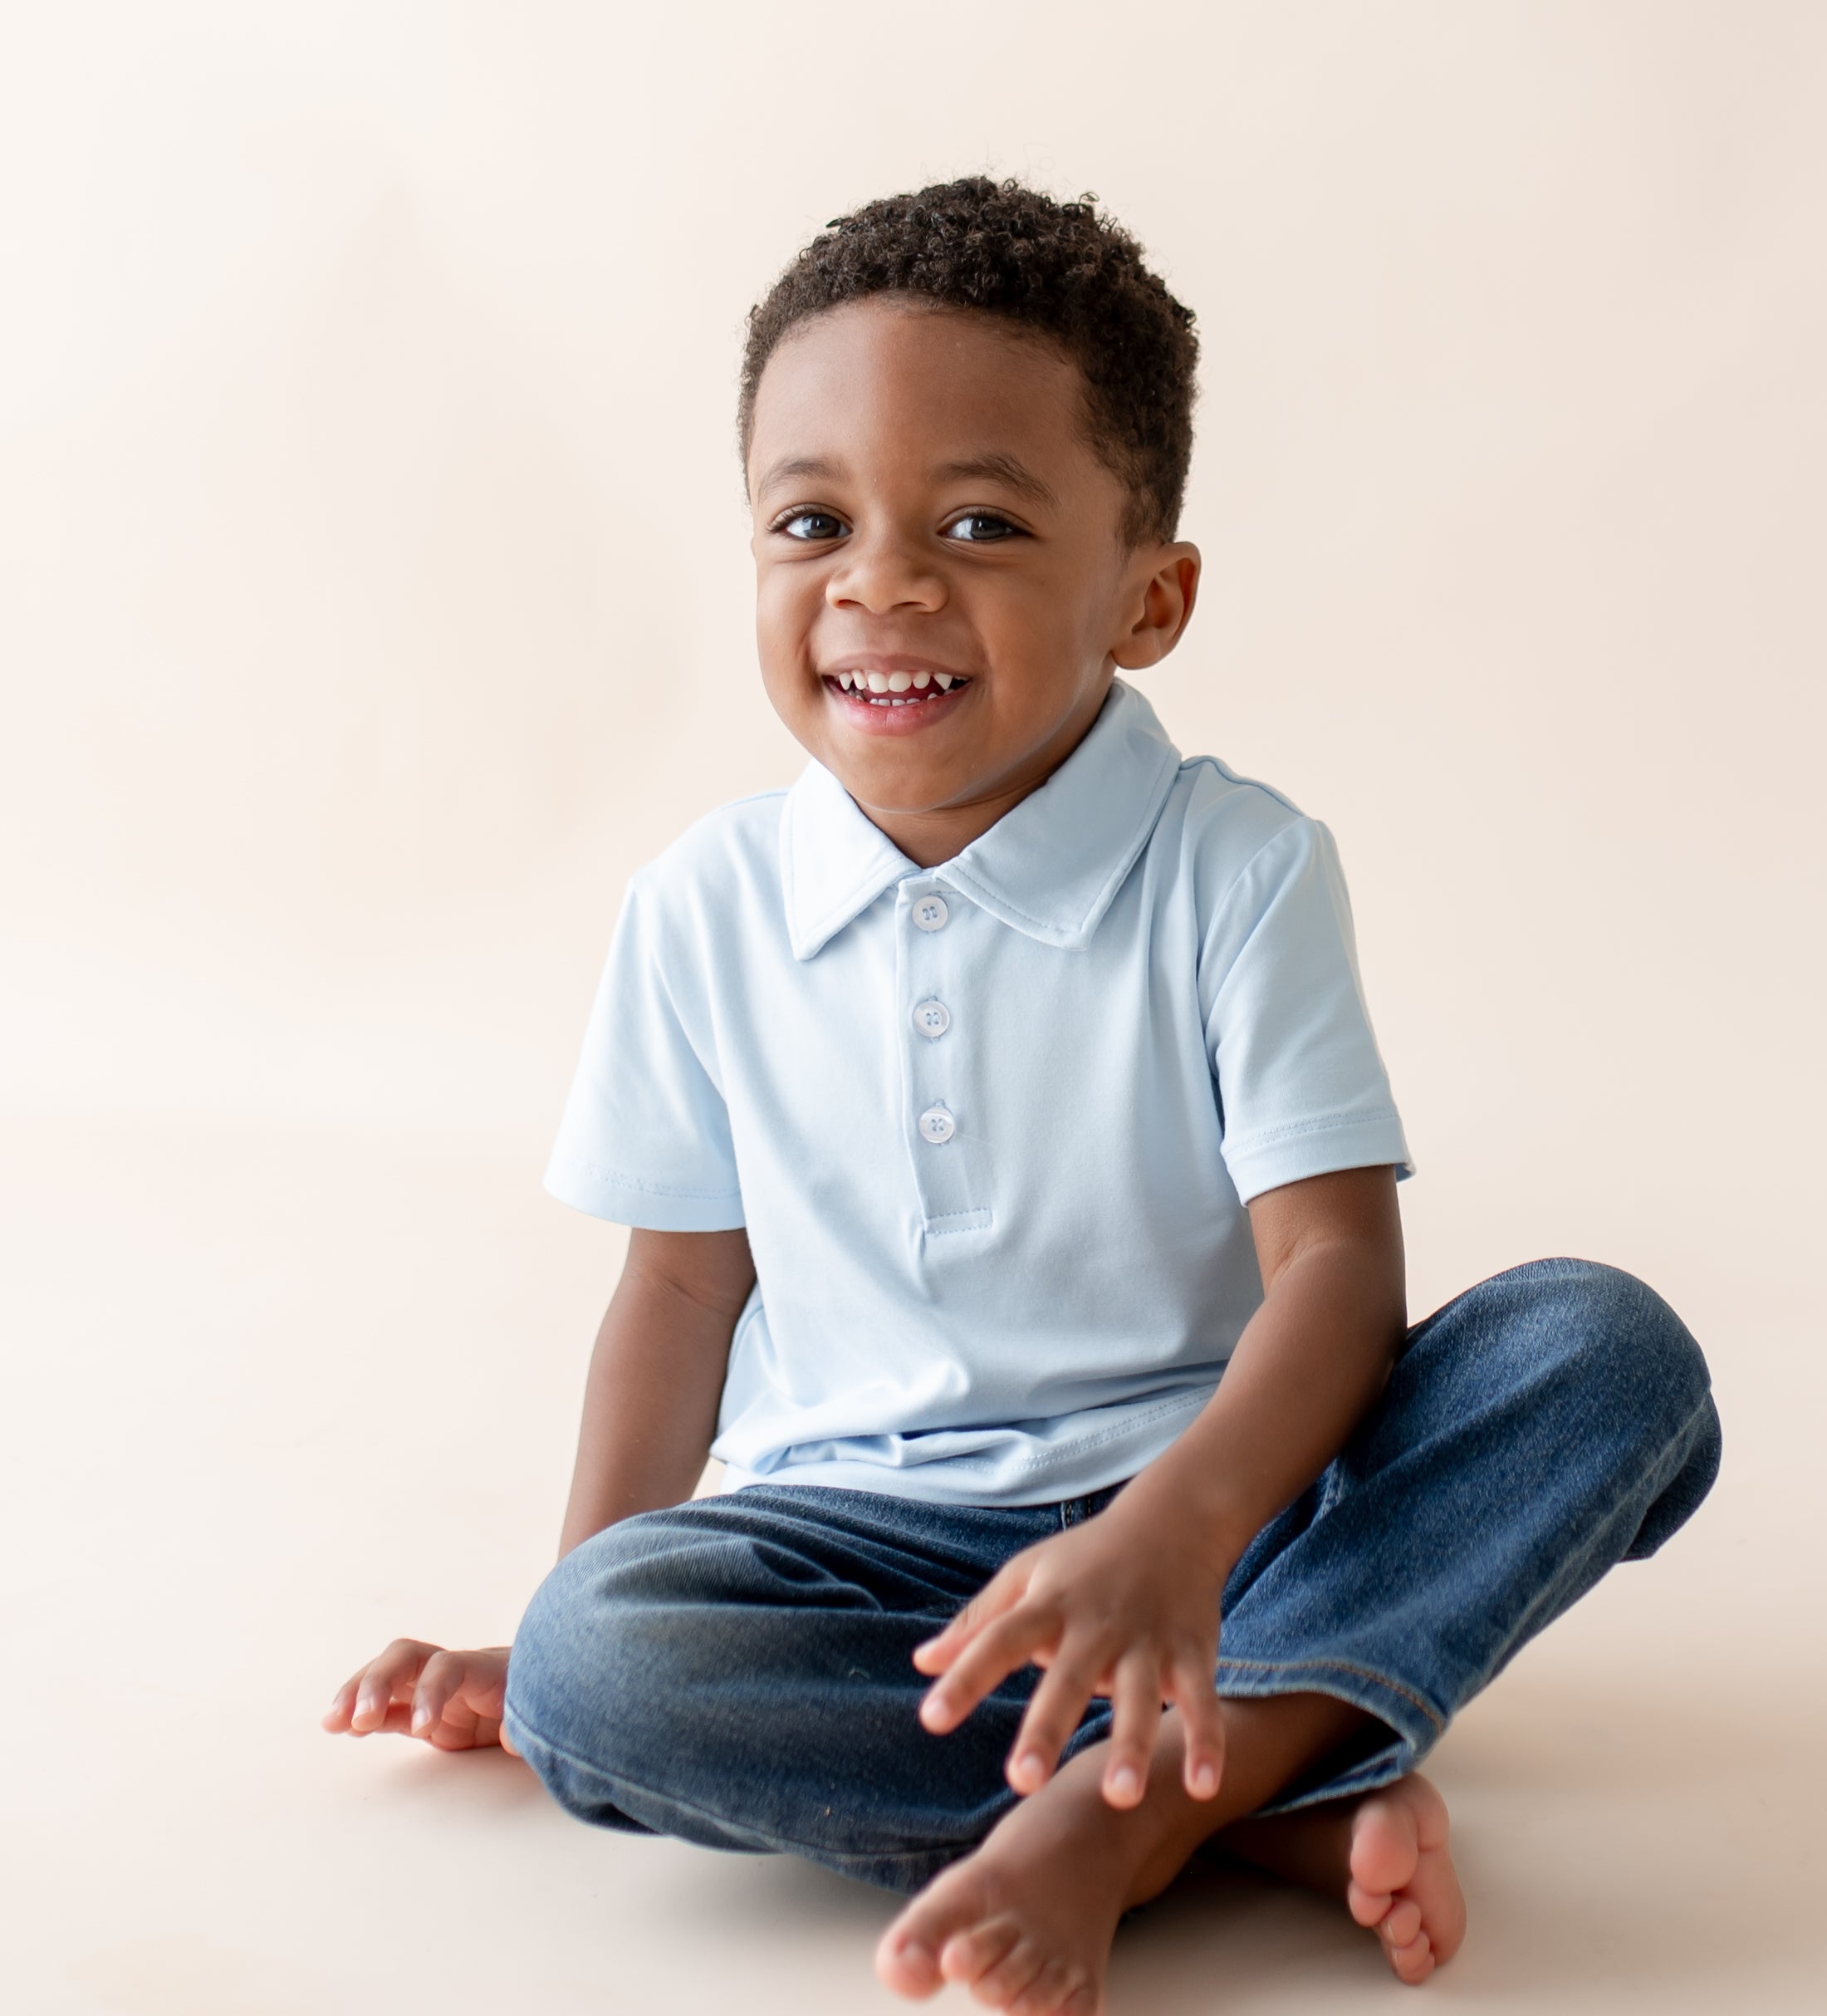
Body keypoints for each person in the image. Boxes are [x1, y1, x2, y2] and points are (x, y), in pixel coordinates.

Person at [324, 178, 1721, 2013]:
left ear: (1147, 598)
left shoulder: (1236, 869)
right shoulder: (702, 906)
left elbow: (1333, 1278)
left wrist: (1175, 1528)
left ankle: (1128, 1805)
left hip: (1230, 1520)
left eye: (977, 521)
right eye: (809, 518)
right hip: (864, 1553)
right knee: (606, 1662)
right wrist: (571, 1603)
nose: (879, 581)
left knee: (1600, 1349)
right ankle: (1254, 1790)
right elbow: (677, 1289)